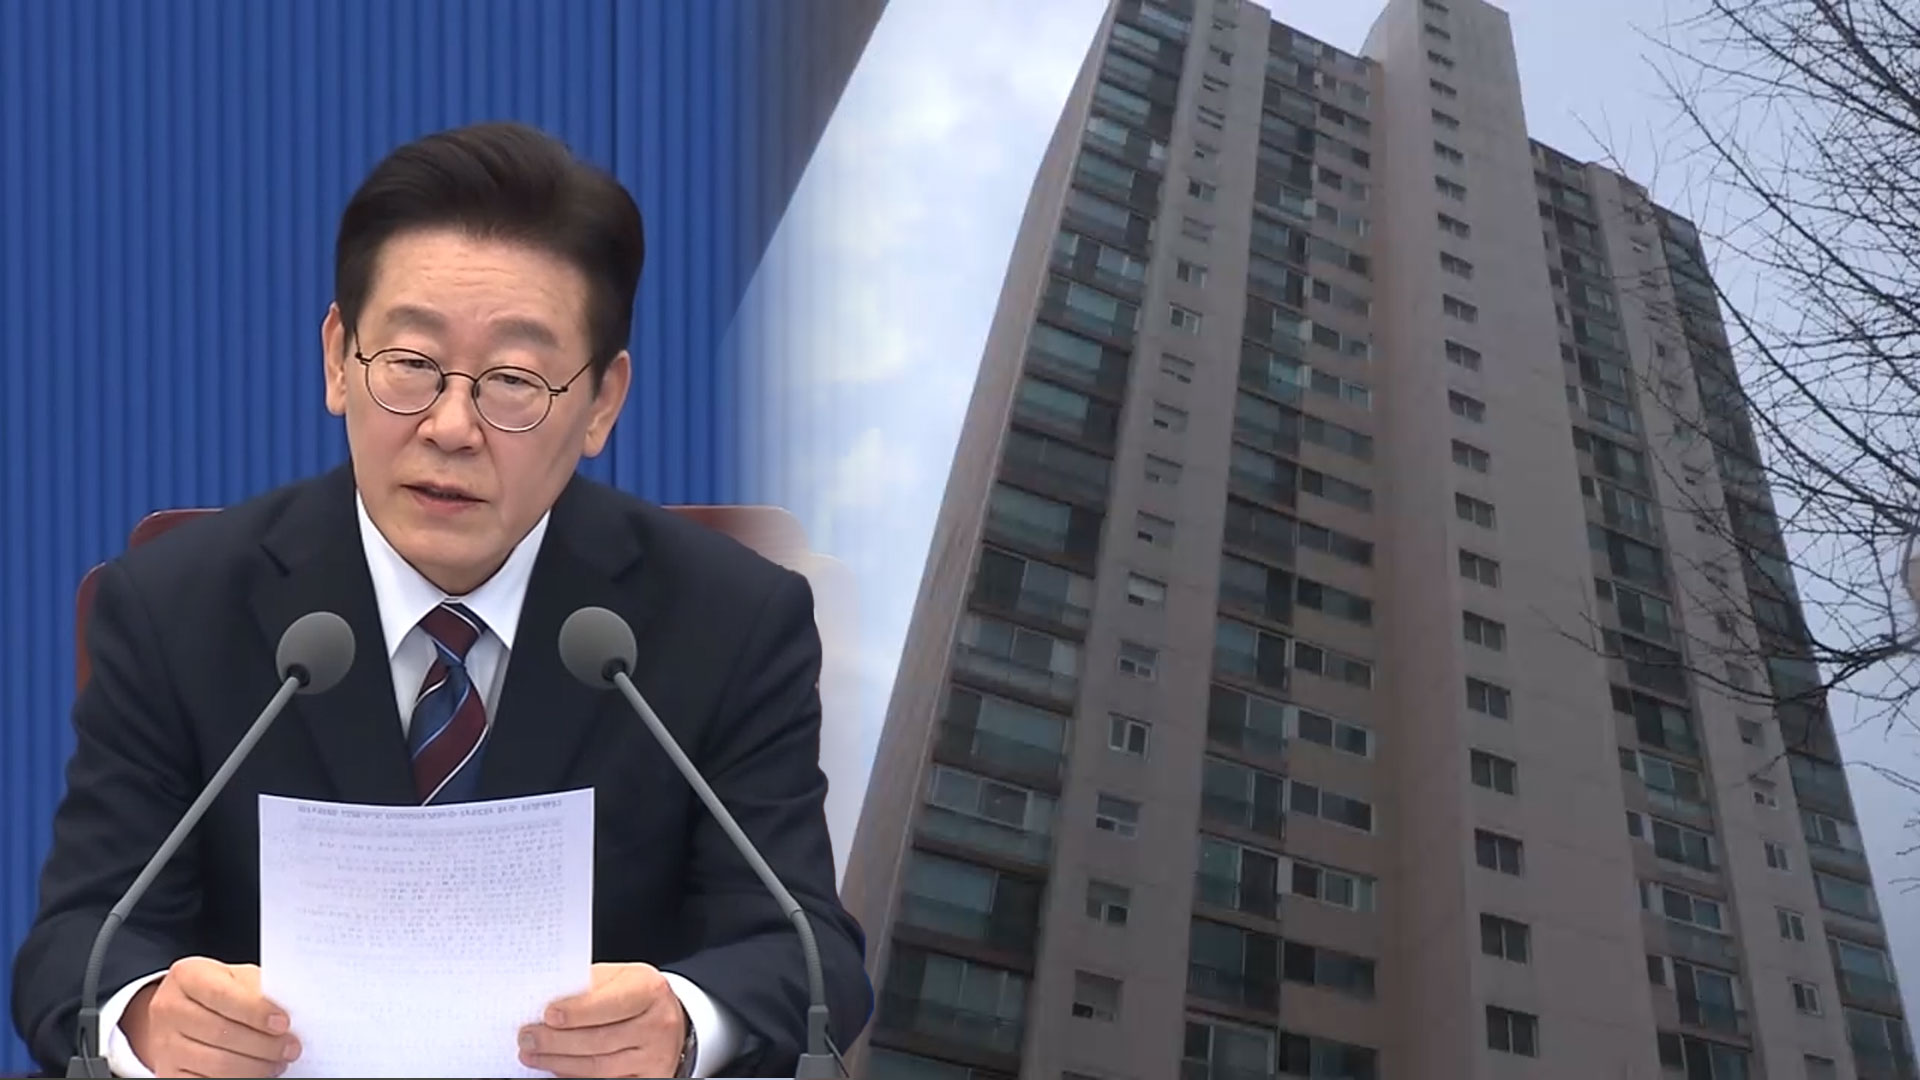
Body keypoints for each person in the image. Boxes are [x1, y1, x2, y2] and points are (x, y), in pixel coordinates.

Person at [9, 121, 872, 1078]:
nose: (451, 426)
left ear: (601, 404)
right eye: (411, 365)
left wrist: (682, 1022)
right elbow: (76, 945)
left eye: (514, 380)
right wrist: (144, 1020)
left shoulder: (731, 622)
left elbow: (805, 949)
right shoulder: (177, 608)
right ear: (339, 360)